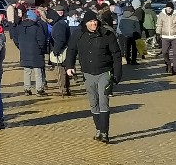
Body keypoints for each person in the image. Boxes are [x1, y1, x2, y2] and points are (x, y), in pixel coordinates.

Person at [65, 10, 122, 143]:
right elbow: (71, 50)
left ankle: (104, 132)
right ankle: (98, 129)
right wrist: (69, 66)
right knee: (93, 103)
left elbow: (116, 54)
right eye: (90, 22)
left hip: (104, 72)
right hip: (87, 73)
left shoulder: (107, 34)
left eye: (95, 21)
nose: (93, 24)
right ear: (85, 23)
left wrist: (118, 72)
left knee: (103, 101)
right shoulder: (78, 35)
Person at [9, 9, 49, 96]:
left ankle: (27, 89)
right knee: (38, 72)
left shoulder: (20, 27)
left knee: (27, 71)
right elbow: (41, 41)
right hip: (36, 52)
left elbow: (16, 39)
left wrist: (20, 47)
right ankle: (39, 90)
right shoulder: (37, 27)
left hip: (24, 52)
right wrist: (42, 50)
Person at [50, 9, 75, 95]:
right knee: (64, 70)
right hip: (65, 49)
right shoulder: (61, 23)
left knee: (61, 71)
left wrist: (56, 50)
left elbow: (60, 40)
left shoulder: (59, 25)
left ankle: (63, 90)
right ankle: (66, 89)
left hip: (61, 51)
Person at [157, 5, 176, 75]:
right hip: (165, 36)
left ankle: (174, 68)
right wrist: (158, 33)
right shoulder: (161, 15)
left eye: (171, 8)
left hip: (175, 36)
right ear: (166, 8)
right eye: (168, 8)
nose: (169, 10)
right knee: (164, 52)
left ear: (173, 9)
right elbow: (159, 25)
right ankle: (168, 64)